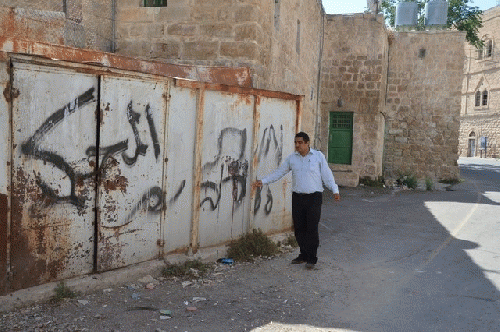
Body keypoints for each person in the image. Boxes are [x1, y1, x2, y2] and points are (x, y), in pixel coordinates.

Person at [252, 132, 340, 270]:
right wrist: (263, 181)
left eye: (300, 142)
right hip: (298, 197)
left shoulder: (318, 157)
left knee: (312, 228)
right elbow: (279, 172)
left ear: (307, 143)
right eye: (295, 143)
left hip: (314, 197)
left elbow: (327, 175)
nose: (297, 145)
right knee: (299, 228)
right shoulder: (292, 158)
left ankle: (312, 258)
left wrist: (335, 190)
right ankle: (303, 254)